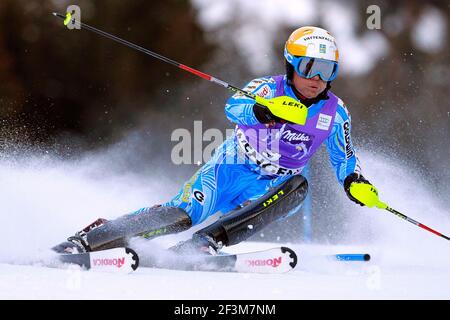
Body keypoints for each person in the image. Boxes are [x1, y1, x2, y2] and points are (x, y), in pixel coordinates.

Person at [53, 26, 378, 255]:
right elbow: (234, 106)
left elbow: (344, 157)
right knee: (182, 214)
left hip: (272, 187)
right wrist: (263, 112)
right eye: (310, 67)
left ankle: (203, 245)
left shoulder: (336, 114)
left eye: (328, 70)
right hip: (230, 167)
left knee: (298, 187)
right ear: (291, 65)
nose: (317, 79)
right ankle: (93, 239)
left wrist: (354, 181)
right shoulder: (268, 88)